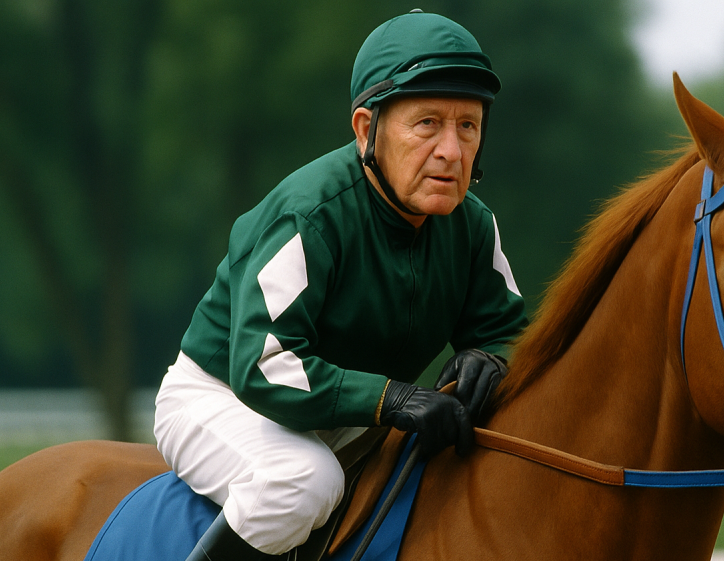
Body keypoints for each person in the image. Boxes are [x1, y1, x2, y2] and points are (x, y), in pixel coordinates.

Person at [153, 10, 527, 561]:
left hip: (350, 418)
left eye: (467, 125)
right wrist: (390, 397)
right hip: (226, 396)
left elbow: (514, 334)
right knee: (304, 481)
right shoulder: (310, 215)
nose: (452, 150)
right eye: (427, 123)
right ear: (365, 129)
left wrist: (495, 358)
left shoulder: (471, 225)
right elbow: (263, 367)